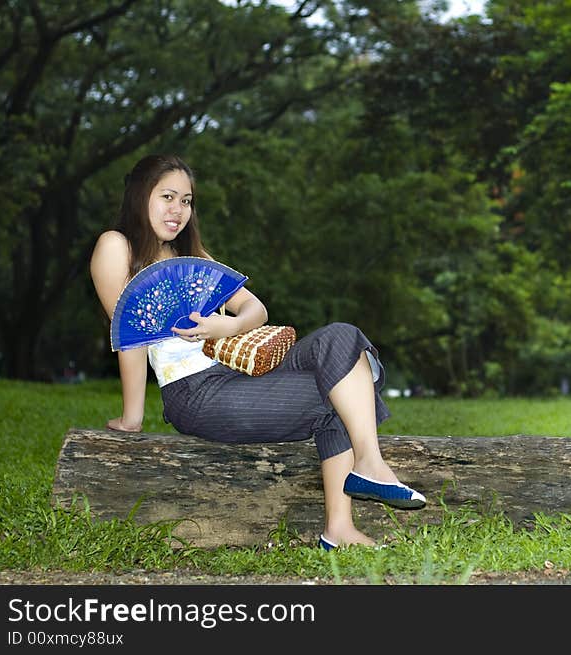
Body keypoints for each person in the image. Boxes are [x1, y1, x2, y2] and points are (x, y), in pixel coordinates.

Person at [89, 153, 425, 551]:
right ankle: (342, 522)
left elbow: (256, 309)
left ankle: (361, 482)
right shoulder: (116, 245)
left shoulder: (191, 256)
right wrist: (133, 418)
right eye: (167, 197)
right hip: (196, 392)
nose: (177, 210)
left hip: (239, 367)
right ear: (140, 195)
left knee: (342, 337)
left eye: (186, 200)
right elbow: (131, 334)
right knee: (341, 392)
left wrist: (227, 325)